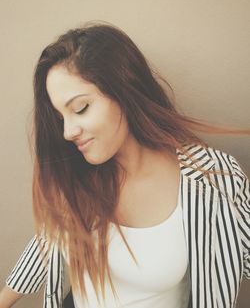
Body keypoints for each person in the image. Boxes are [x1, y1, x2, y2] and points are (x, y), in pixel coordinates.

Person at [0, 21, 249, 308]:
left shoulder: (214, 181)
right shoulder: (79, 175)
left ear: (124, 91)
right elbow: (52, 237)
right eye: (60, 117)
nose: (68, 132)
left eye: (80, 108)